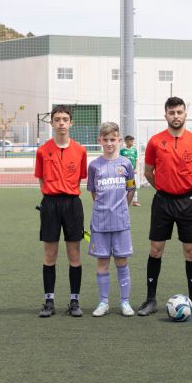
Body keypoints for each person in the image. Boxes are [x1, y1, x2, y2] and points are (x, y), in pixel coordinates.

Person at [137, 96, 192, 316]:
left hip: (187, 202)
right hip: (162, 202)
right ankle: (150, 300)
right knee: (156, 250)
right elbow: (148, 172)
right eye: (172, 112)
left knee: (190, 250)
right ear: (165, 114)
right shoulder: (155, 141)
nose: (176, 116)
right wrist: (164, 188)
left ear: (185, 114)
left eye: (179, 112)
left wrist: (188, 186)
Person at [35, 105, 88, 317]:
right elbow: (41, 178)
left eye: (65, 119)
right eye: (57, 119)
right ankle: (49, 301)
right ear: (52, 123)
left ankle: (74, 301)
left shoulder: (80, 150)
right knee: (50, 254)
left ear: (71, 123)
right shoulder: (42, 150)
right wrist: (51, 195)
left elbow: (81, 177)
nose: (61, 123)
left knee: (74, 253)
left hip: (72, 204)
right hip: (50, 204)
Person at [87, 122, 136, 317]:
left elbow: (130, 188)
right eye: (105, 140)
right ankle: (103, 302)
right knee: (102, 262)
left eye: (113, 139)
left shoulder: (126, 164)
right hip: (100, 223)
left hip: (121, 222)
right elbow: (93, 192)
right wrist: (104, 208)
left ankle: (125, 302)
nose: (109, 143)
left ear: (119, 140)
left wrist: (121, 207)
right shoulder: (94, 166)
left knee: (122, 261)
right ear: (99, 141)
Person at [120, 135, 141, 207]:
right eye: (130, 140)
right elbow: (120, 161)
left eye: (132, 140)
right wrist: (121, 170)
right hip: (125, 171)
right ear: (126, 142)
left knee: (132, 185)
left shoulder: (134, 150)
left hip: (132, 171)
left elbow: (136, 160)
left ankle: (135, 201)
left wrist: (136, 169)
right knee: (124, 185)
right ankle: (123, 200)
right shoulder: (122, 151)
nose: (132, 142)